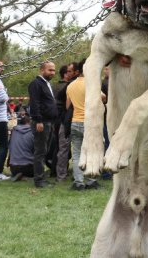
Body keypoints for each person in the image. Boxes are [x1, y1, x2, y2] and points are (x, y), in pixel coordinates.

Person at [65, 59, 99, 190]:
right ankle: (91, 180)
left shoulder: (70, 85)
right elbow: (102, 97)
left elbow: (68, 105)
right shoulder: (91, 83)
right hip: (89, 122)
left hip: (75, 122)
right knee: (91, 152)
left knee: (77, 153)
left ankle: (78, 182)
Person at [27, 61, 58, 188]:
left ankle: (42, 178)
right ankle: (39, 181)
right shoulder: (36, 84)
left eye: (54, 70)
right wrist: (38, 120)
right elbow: (35, 103)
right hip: (42, 122)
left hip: (49, 122)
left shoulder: (46, 84)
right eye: (50, 70)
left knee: (44, 151)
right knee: (40, 152)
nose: (53, 72)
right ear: (42, 70)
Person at [8, 113, 35, 181]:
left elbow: (10, 149)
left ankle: (20, 176)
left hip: (13, 168)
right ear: (29, 121)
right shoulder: (32, 132)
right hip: (28, 167)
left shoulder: (14, 132)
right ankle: (25, 177)